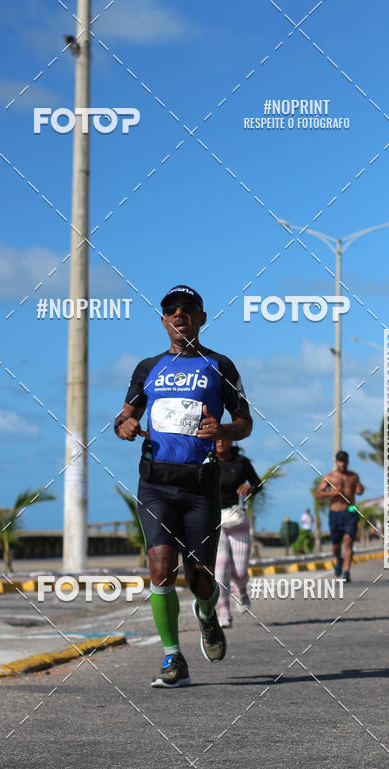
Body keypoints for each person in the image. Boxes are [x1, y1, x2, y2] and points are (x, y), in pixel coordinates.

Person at [115, 285, 253, 688]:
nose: (179, 314)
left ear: (201, 318)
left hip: (200, 488)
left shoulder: (220, 366)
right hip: (155, 484)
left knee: (200, 579)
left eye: (188, 308)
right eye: (171, 309)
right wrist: (125, 426)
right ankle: (173, 657)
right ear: (163, 321)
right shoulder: (147, 368)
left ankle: (207, 615)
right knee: (160, 568)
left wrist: (223, 430)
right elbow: (123, 417)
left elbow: (245, 422)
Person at [214, 439, 262, 628]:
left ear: (230, 441)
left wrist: (251, 489)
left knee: (240, 572)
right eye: (216, 439)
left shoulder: (240, 462)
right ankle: (224, 611)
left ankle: (241, 589)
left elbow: (258, 483)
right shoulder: (206, 462)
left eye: (223, 438)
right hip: (214, 522)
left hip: (237, 520)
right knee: (221, 569)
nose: (220, 442)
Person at [315, 450, 364, 582]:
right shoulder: (329, 477)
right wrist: (332, 493)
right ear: (336, 462)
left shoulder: (353, 476)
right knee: (336, 546)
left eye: (344, 461)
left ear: (347, 462)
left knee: (348, 541)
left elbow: (359, 491)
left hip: (350, 512)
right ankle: (339, 560)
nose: (342, 463)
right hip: (335, 513)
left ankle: (346, 571)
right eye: (340, 461)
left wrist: (360, 489)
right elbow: (318, 493)